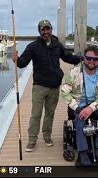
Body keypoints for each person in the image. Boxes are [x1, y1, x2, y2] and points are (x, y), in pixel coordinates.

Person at [12, 19, 81, 152]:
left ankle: (47, 136)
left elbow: (68, 57)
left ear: (51, 30)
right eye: (43, 29)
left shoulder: (57, 44)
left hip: (54, 86)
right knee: (36, 114)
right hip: (39, 86)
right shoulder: (33, 46)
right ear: (39, 31)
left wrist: (81, 58)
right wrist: (16, 59)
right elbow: (22, 63)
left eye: (47, 29)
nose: (46, 32)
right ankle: (32, 140)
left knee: (50, 113)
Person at [61, 45, 98, 166]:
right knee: (80, 119)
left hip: (96, 106)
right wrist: (77, 107)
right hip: (79, 105)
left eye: (95, 59)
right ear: (84, 58)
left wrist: (91, 108)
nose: (91, 61)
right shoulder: (73, 72)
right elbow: (65, 91)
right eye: (88, 58)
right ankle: (83, 152)